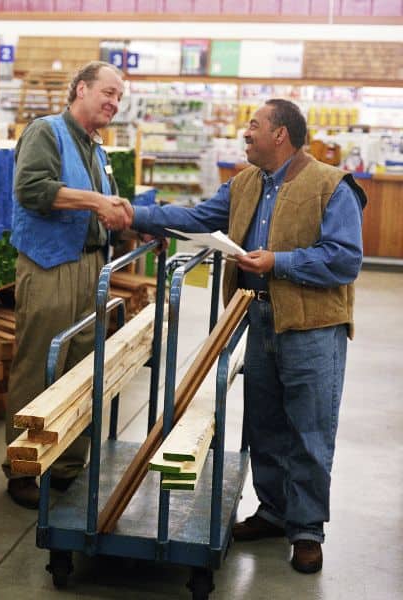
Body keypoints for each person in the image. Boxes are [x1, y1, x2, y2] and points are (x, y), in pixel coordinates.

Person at [131, 99, 366, 574]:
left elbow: (344, 259)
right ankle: (274, 512)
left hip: (313, 329)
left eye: (254, 126)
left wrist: (277, 262)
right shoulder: (244, 183)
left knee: (311, 429)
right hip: (257, 320)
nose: (245, 133)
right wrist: (133, 215)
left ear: (280, 135)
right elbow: (198, 219)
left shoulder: (330, 185)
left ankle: (306, 530)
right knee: (264, 424)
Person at [4, 61, 133, 509]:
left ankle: (65, 465)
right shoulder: (46, 131)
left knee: (81, 366)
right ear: (80, 88)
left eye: (120, 97)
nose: (114, 103)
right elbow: (33, 190)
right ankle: (22, 469)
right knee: (41, 365)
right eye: (108, 92)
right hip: (50, 265)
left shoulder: (96, 148)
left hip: (90, 266)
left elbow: (102, 210)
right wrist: (98, 201)